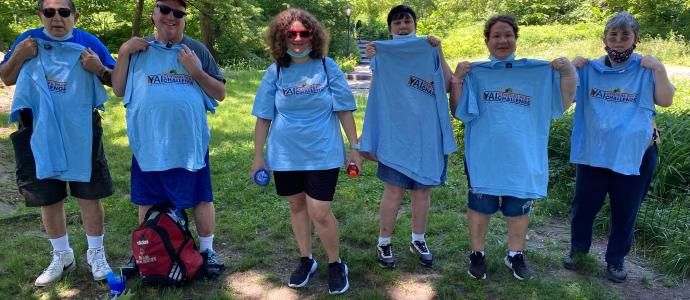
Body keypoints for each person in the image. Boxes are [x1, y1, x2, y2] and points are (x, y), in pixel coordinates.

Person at [450, 15, 577, 280]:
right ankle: (477, 254)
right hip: (484, 155)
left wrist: (567, 71)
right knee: (480, 206)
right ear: (487, 41)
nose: (502, 40)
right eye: (496, 35)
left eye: (508, 34)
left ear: (516, 39)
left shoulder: (537, 74)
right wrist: (458, 81)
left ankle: (515, 255)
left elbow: (562, 102)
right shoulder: (477, 73)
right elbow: (460, 112)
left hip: (522, 155)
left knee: (518, 208)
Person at [0, 0, 115, 287]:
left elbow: (116, 80)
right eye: (49, 12)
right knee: (47, 194)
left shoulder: (87, 42)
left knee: (89, 192)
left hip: (81, 127)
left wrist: (98, 68)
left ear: (75, 16)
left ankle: (96, 254)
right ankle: (61, 255)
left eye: (63, 12)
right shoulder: (27, 41)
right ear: (40, 15)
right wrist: (19, 57)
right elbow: (6, 78)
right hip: (36, 127)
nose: (56, 18)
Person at [111, 0, 226, 278]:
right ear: (153, 14)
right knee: (148, 199)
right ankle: (147, 249)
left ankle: (208, 251)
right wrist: (124, 51)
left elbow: (220, 93)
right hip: (148, 143)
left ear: (185, 18)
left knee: (200, 197)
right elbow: (118, 88)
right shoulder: (138, 49)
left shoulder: (196, 49)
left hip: (190, 144)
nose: (171, 17)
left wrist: (195, 70)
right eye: (165, 10)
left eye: (178, 13)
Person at [251, 8, 361, 295]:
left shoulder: (327, 66)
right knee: (296, 206)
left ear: (314, 35)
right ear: (282, 37)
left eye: (304, 33)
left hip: (323, 152)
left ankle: (336, 263)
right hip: (285, 154)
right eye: (292, 34)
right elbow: (263, 116)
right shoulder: (275, 69)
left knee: (320, 211)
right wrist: (258, 157)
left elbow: (345, 110)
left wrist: (355, 149)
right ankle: (306, 259)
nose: (298, 39)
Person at [564, 12, 674, 283]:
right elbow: (564, 101)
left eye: (626, 35)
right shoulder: (588, 69)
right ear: (604, 38)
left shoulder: (647, 69)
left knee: (625, 210)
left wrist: (660, 69)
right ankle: (578, 252)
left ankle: (615, 261)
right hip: (594, 152)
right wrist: (570, 72)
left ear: (636, 39)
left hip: (635, 154)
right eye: (613, 34)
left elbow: (666, 100)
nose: (619, 40)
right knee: (584, 206)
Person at [361, 4, 455, 269]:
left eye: (407, 21)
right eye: (397, 22)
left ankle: (418, 239)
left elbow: (447, 85)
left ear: (414, 24)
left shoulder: (429, 48)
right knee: (393, 191)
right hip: (395, 135)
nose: (403, 26)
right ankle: (384, 242)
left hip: (426, 135)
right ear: (390, 29)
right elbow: (379, 77)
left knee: (423, 190)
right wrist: (372, 55)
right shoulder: (382, 54)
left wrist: (439, 50)